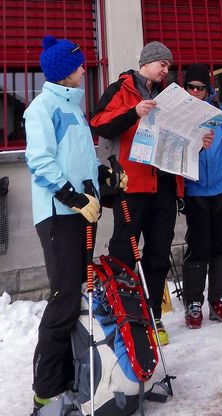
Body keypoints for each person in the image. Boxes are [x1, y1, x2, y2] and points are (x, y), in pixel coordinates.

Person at [24, 35, 125, 413]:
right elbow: (40, 161)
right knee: (64, 297)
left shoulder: (74, 108)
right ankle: (46, 390)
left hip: (83, 212)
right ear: (64, 71)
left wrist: (104, 176)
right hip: (59, 215)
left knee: (77, 294)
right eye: (79, 64)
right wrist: (73, 197)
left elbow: (79, 160)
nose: (85, 68)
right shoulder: (42, 108)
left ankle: (72, 376)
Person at [90, 41, 182, 346]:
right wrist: (133, 112)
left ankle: (153, 315)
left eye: (168, 66)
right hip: (131, 185)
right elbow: (99, 123)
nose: (166, 70)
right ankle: (123, 314)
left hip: (164, 183)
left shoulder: (168, 95)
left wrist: (198, 139)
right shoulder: (121, 88)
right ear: (146, 62)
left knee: (159, 252)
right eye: (162, 64)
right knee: (124, 253)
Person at [180, 64, 222, 329]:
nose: (195, 92)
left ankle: (219, 298)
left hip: (221, 189)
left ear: (208, 90)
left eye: (200, 88)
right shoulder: (179, 116)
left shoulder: (220, 115)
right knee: (197, 247)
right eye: (191, 87)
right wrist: (178, 189)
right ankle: (193, 302)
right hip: (194, 190)